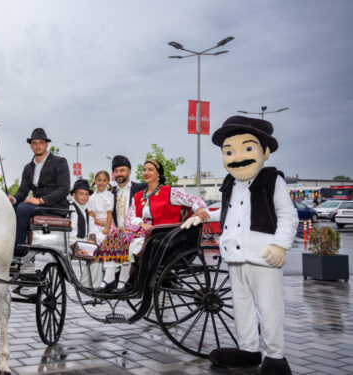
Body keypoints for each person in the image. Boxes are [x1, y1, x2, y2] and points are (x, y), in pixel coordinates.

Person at [183, 116, 297, 375]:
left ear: (265, 152)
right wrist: (202, 215)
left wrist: (280, 245)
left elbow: (288, 215)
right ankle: (248, 350)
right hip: (235, 257)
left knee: (269, 308)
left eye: (247, 148)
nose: (238, 157)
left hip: (264, 256)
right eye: (229, 152)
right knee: (242, 307)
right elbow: (223, 210)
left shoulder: (272, 180)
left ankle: (275, 356)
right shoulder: (230, 183)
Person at [93, 159, 208, 291]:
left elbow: (195, 200)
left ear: (158, 174)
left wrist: (199, 210)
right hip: (142, 230)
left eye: (150, 169)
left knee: (126, 240)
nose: (146, 172)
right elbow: (130, 218)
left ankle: (122, 282)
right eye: (144, 170)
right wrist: (141, 223)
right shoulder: (138, 196)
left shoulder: (169, 192)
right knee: (117, 236)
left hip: (161, 234)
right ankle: (109, 279)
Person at [9, 128, 71, 253]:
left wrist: (41, 200)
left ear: (46, 144)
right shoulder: (28, 168)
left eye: (41, 142)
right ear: (31, 145)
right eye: (34, 143)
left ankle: (18, 249)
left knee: (23, 208)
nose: (38, 146)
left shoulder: (59, 162)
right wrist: (13, 199)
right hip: (36, 206)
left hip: (55, 205)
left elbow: (64, 189)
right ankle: (8, 243)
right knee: (10, 209)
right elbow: (23, 191)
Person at [67, 179, 103, 288]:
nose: (84, 197)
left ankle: (89, 283)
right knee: (96, 255)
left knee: (101, 254)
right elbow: (69, 232)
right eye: (81, 193)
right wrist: (77, 247)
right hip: (71, 243)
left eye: (87, 194)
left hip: (84, 243)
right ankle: (88, 284)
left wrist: (92, 239)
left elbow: (92, 228)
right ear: (74, 194)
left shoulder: (87, 211)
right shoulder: (70, 209)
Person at [110, 155, 146, 228]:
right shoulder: (109, 192)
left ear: (129, 172)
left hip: (137, 237)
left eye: (122, 170)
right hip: (116, 237)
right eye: (116, 171)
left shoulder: (141, 189)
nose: (119, 174)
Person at [88, 170, 114, 236]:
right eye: (99, 180)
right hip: (95, 223)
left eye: (104, 180)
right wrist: (98, 222)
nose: (101, 183)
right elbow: (91, 214)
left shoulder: (109, 195)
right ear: (95, 181)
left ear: (108, 182)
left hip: (108, 223)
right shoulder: (91, 197)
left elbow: (109, 213)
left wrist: (107, 227)